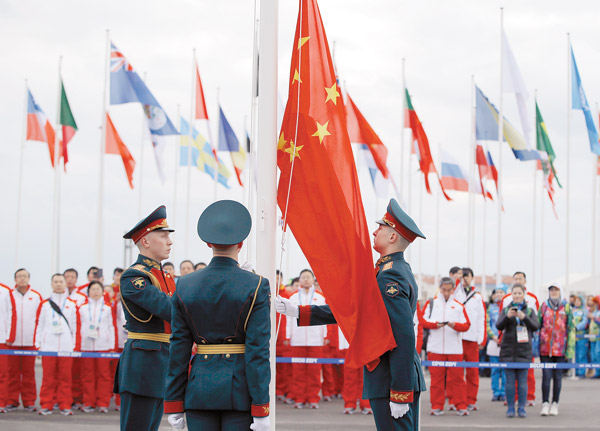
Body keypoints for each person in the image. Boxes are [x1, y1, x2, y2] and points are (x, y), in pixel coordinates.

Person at [276, 198, 426, 431]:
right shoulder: (389, 270)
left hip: (390, 377)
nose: (374, 232)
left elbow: (403, 334)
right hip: (389, 375)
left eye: (381, 228)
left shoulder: (390, 276)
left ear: (393, 237)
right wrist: (299, 311)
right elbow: (355, 310)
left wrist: (400, 391)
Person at [164, 200, 271, 431]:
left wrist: (173, 403)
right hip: (240, 392)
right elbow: (258, 351)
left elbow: (179, 347)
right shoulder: (257, 284)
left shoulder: (185, 284)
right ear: (241, 243)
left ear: (208, 243)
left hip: (199, 390)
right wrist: (261, 407)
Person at [114, 205, 176, 431]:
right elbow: (170, 309)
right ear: (146, 242)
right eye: (163, 236)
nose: (169, 242)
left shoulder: (164, 275)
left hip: (160, 361)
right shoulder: (135, 275)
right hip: (143, 363)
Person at [422, 277, 471, 416]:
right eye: (444, 289)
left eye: (449, 290)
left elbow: (467, 325)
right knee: (436, 380)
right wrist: (434, 324)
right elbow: (423, 321)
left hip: (454, 349)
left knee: (458, 379)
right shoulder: (432, 303)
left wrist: (454, 325)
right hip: (435, 347)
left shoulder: (459, 306)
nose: (446, 292)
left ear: (453, 289)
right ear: (440, 288)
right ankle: (436, 406)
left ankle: (460, 405)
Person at [34, 273, 79, 416]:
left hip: (66, 348)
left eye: (61, 281)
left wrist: (73, 346)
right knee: (48, 379)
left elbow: (75, 326)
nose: (58, 284)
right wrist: (38, 345)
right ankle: (47, 404)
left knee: (65, 378)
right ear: (52, 284)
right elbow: (39, 325)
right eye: (56, 281)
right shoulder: (45, 305)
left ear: (65, 284)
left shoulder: (71, 305)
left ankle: (65, 404)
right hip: (49, 347)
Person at [496, 284, 539, 418]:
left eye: (519, 293)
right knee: (509, 381)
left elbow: (536, 326)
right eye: (515, 293)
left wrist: (523, 317)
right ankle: (510, 407)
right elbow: (498, 325)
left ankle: (521, 407)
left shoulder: (530, 310)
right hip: (508, 349)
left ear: (523, 294)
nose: (517, 296)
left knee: (522, 381)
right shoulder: (506, 309)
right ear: (511, 295)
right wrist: (507, 316)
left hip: (524, 350)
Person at [286, 269, 327, 409]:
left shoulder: (320, 297)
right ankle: (300, 398)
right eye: (303, 277)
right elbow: (288, 319)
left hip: (316, 339)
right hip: (297, 339)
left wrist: (325, 335)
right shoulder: (293, 298)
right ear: (300, 279)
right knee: (298, 371)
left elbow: (325, 317)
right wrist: (288, 335)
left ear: (313, 279)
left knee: (315, 370)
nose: (305, 280)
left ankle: (313, 398)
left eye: (308, 277)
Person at [6, 268, 42, 412]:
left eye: (25, 276)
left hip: (29, 342)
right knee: (12, 373)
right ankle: (11, 400)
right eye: (19, 276)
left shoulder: (36, 296)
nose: (22, 279)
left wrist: (37, 340)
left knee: (28, 373)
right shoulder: (8, 295)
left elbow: (40, 319)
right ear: (15, 279)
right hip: (12, 342)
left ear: (29, 278)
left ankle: (29, 401)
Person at [78, 280, 116, 413]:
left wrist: (111, 346)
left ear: (102, 292)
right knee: (88, 375)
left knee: (104, 376)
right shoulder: (82, 308)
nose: (95, 292)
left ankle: (103, 403)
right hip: (87, 346)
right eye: (92, 289)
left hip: (103, 346)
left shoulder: (107, 308)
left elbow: (111, 327)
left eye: (97, 289)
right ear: (88, 292)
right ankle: (89, 402)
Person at [537, 284, 575, 416]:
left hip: (560, 349)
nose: (553, 292)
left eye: (556, 290)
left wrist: (569, 350)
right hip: (545, 348)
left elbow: (571, 329)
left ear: (560, 291)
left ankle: (555, 403)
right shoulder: (543, 306)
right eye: (551, 290)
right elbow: (538, 325)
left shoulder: (567, 307)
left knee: (557, 377)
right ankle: (545, 403)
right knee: (546, 377)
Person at [452, 268, 487, 411]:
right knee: (457, 373)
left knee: (472, 372)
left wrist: (481, 339)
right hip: (457, 338)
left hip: (472, 339)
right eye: (462, 276)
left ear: (472, 277)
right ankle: (457, 400)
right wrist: (458, 279)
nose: (465, 278)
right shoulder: (456, 293)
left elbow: (481, 319)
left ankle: (471, 400)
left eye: (467, 276)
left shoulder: (477, 297)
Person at [63, 267, 86, 409]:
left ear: (76, 279)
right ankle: (62, 399)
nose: (69, 279)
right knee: (64, 373)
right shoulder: (58, 296)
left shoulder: (81, 297)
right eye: (67, 277)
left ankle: (77, 398)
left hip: (78, 337)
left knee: (77, 372)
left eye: (72, 277)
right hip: (62, 338)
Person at [486, 288, 506, 402]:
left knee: (504, 370)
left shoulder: (508, 308)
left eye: (501, 292)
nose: (498, 294)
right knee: (494, 370)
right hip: (493, 342)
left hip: (505, 343)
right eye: (496, 292)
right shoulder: (491, 308)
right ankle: (495, 391)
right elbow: (487, 324)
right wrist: (493, 337)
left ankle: (503, 391)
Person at [0, 282, 16, 414]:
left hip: (1, 338)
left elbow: (12, 314)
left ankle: (1, 402)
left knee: (3, 373)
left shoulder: (5, 291)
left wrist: (10, 336)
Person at [572, 295, 589, 378]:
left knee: (581, 354)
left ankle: (581, 372)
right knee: (575, 355)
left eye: (579, 301)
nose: (577, 302)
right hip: (573, 336)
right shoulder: (572, 310)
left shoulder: (584, 311)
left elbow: (585, 321)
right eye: (576, 301)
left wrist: (576, 327)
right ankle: (575, 372)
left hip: (581, 336)